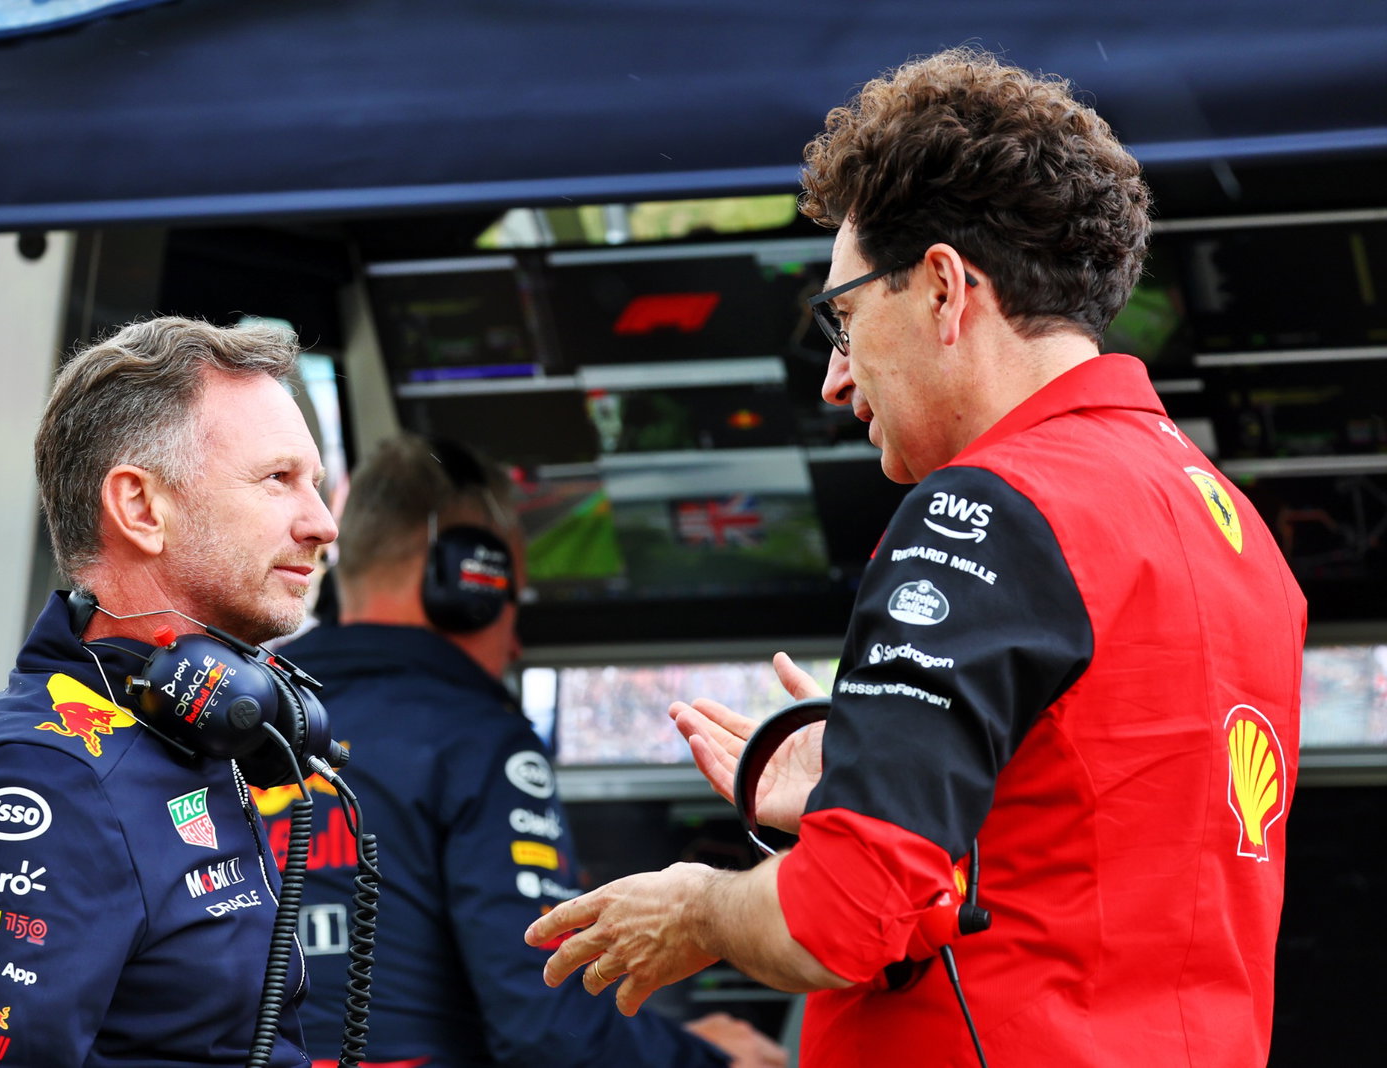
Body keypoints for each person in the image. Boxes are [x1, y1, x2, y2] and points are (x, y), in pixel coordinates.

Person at [526, 46, 1306, 1067]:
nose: (835, 380)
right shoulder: (1231, 525)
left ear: (941, 288)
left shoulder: (985, 509)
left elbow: (842, 916)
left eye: (843, 316)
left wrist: (703, 910)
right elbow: (1086, 853)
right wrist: (864, 788)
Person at [0, 317, 338, 1065]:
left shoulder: (190, 733)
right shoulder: (46, 778)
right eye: (279, 479)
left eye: (315, 485)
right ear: (139, 508)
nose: (320, 523)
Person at [265, 433, 786, 1068]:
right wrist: (710, 1058)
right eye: (515, 605)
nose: (515, 647)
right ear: (471, 581)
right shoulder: (479, 741)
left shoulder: (243, 719)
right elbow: (547, 1027)